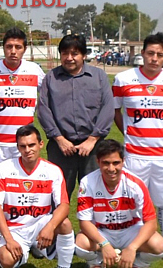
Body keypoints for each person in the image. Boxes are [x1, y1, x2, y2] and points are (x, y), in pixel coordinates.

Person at [112, 32, 163, 265]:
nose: (154, 58)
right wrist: (130, 134)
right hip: (135, 154)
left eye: (160, 55)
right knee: (132, 199)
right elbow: (116, 111)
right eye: (150, 53)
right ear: (143, 53)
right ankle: (133, 241)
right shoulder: (123, 79)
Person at [0, 125, 76, 268]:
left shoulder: (53, 170)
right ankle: (14, 263)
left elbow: (64, 205)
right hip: (14, 229)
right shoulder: (4, 169)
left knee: (65, 224)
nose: (27, 150)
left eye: (31, 145)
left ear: (40, 144)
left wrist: (50, 227)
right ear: (17, 147)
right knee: (7, 261)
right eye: (23, 146)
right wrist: (9, 239)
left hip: (40, 225)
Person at [75, 140, 163, 268]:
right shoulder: (87, 182)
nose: (111, 168)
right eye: (106, 163)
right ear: (98, 162)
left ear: (123, 161)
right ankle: (95, 263)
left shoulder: (136, 184)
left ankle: (140, 265)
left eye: (116, 163)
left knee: (160, 245)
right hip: (102, 231)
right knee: (80, 244)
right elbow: (84, 222)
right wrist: (104, 244)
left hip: (130, 230)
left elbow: (151, 222)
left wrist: (133, 247)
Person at [38, 34, 114, 199]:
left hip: (93, 148)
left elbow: (108, 108)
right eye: (65, 53)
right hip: (61, 148)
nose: (69, 58)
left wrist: (92, 140)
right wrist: (60, 139)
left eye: (75, 53)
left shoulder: (99, 77)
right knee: (58, 197)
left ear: (84, 55)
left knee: (96, 195)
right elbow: (43, 109)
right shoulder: (51, 78)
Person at [0, 28, 45, 170]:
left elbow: (51, 93)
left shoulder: (34, 70)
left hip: (26, 143)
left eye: (18, 47)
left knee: (25, 178)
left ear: (24, 49)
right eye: (9, 47)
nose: (13, 51)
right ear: (3, 48)